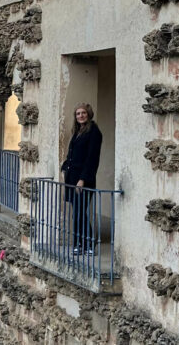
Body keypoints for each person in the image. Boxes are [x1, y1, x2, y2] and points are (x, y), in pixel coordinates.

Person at [61, 102, 102, 256]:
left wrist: (83, 179)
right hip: (72, 179)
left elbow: (92, 159)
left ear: (88, 114)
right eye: (78, 114)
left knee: (79, 212)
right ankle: (80, 243)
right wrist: (65, 165)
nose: (80, 116)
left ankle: (89, 244)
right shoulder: (78, 132)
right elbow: (72, 154)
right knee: (76, 213)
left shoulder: (94, 132)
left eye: (83, 113)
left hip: (83, 181)